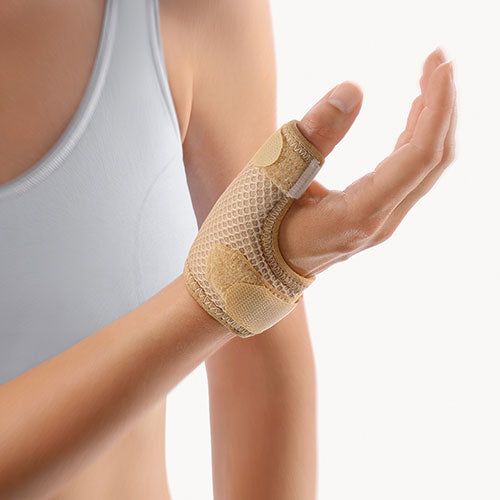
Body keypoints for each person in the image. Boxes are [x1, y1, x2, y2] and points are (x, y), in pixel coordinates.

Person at [0, 0, 456, 498]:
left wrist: (260, 275)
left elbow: (258, 363)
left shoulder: (190, 11)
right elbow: (249, 275)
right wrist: (225, 291)